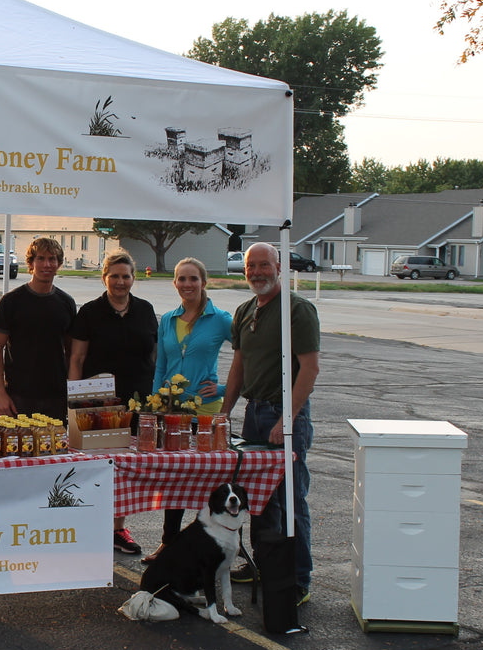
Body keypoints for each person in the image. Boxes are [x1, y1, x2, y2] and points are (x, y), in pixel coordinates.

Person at [222, 242, 320, 607]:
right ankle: (263, 566)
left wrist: (287, 419)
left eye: (265, 265)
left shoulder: (297, 310)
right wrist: (225, 409)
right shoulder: (246, 310)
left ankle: (297, 579)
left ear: (279, 266)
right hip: (254, 414)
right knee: (258, 500)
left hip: (285, 413)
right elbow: (238, 366)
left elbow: (309, 369)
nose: (258, 272)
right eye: (252, 266)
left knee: (290, 500)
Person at [141, 257, 232, 562]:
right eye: (181, 279)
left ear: (204, 282)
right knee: (175, 479)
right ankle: (168, 543)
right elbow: (160, 367)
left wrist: (223, 388)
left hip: (206, 410)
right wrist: (155, 405)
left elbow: (250, 356)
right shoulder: (167, 319)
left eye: (193, 279)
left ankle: (202, 546)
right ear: (175, 283)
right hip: (172, 412)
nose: (187, 284)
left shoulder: (220, 319)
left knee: (206, 480)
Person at [68, 251, 158, 555]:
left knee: (126, 468)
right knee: (96, 468)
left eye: (126, 276)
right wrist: (77, 399)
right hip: (99, 400)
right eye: (115, 276)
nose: (120, 282)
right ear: (104, 277)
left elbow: (155, 354)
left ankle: (118, 529)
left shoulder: (145, 310)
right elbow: (77, 358)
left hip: (138, 400)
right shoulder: (90, 312)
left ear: (133, 278)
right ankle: (90, 529)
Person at [0, 237, 76, 421]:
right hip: (18, 396)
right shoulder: (11, 302)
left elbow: (71, 351)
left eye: (52, 259)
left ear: (59, 263)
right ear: (31, 263)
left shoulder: (66, 303)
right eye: (41, 258)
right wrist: (1, 394)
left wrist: (72, 391)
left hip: (56, 396)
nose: (47, 264)